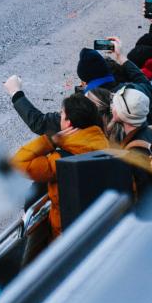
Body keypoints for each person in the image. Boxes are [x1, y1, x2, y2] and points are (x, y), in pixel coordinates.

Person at [11, 92, 110, 238]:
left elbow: (19, 162)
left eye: (61, 114)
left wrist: (50, 141)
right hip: (98, 226)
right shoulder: (106, 145)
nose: (59, 118)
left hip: (66, 235)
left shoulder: (61, 159)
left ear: (68, 122)